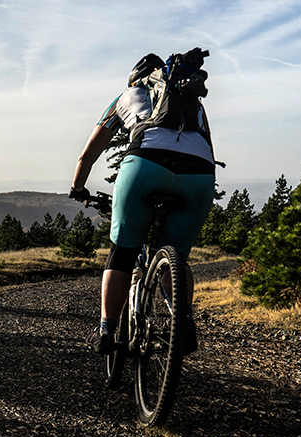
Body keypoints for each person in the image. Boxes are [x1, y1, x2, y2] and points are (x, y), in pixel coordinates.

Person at [70, 49, 217, 356]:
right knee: (176, 257)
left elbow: (88, 155)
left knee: (123, 253)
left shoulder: (127, 95)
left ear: (135, 78)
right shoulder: (192, 102)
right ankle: (183, 321)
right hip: (200, 174)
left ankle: (106, 331)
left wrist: (78, 188)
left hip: (145, 164)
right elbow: (207, 147)